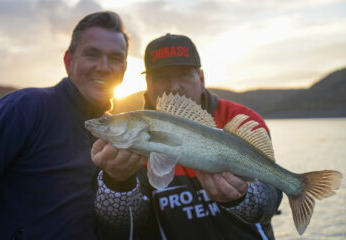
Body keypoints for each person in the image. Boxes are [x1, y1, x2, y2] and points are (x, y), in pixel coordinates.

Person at [91, 34, 283, 239]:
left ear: (201, 79)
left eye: (183, 74)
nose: (174, 86)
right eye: (162, 77)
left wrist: (242, 197)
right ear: (148, 82)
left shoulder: (240, 120)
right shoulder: (131, 138)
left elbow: (268, 202)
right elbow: (124, 227)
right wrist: (117, 183)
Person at [0, 11, 146, 239]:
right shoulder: (25, 108)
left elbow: (124, 227)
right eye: (92, 54)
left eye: (115, 58)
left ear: (124, 69)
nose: (104, 66)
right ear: (68, 61)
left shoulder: (124, 132)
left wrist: (120, 182)